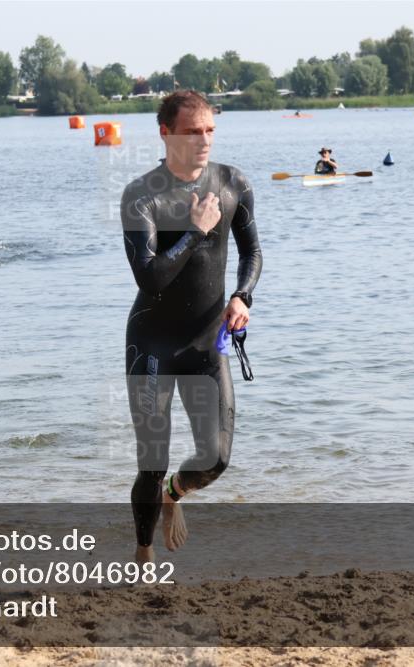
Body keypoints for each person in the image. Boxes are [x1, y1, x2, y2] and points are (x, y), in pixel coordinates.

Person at [121, 90, 262, 563]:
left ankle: (173, 497)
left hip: (206, 342)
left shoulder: (233, 183)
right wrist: (196, 231)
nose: (204, 140)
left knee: (216, 458)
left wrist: (243, 295)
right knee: (152, 461)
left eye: (210, 130)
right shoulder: (142, 196)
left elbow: (252, 252)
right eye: (192, 131)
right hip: (153, 344)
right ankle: (143, 554)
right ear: (165, 133)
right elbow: (150, 277)